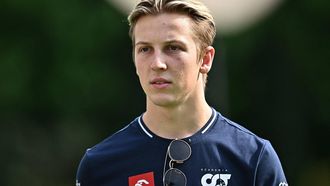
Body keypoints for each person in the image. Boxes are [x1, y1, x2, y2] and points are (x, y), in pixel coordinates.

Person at [76, 0, 288, 185]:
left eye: (173, 47)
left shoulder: (254, 158)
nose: (157, 63)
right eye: (145, 49)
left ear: (205, 59)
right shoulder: (100, 165)